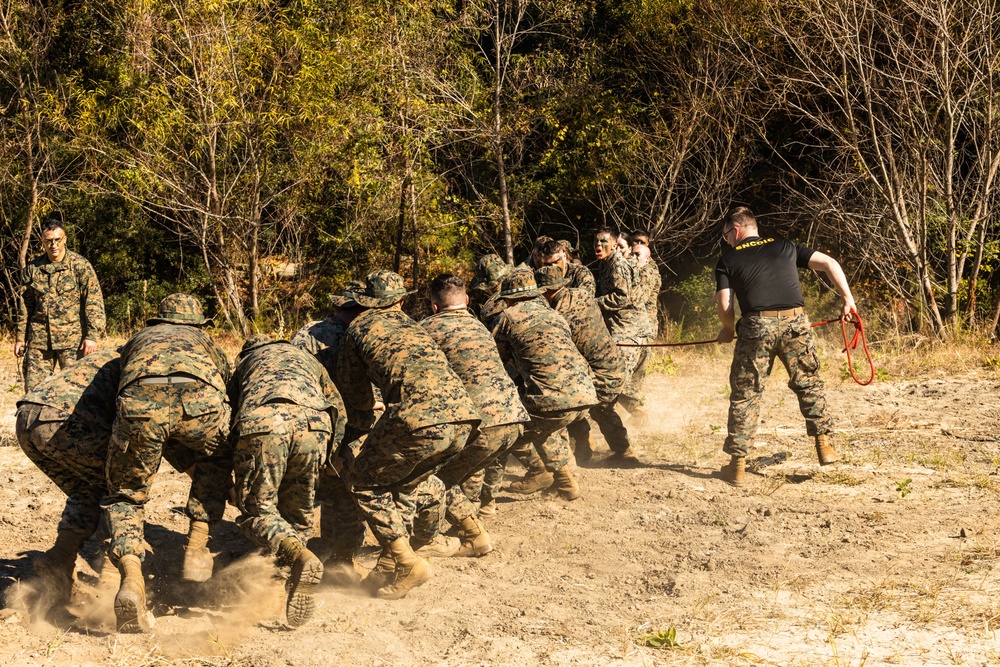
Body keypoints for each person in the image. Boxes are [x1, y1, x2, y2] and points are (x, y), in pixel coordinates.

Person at [335, 270, 480, 599]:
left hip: (418, 419)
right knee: (404, 483)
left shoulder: (358, 327)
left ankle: (406, 561)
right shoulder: (414, 325)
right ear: (400, 300)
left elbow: (355, 395)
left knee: (363, 481)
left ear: (366, 301)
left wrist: (356, 429)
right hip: (465, 419)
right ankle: (391, 562)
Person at [103, 293, 233, 632]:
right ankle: (197, 545)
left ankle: (132, 577)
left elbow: (118, 382)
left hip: (140, 402)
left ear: (158, 320)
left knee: (125, 495)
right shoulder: (204, 339)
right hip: (200, 399)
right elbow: (226, 379)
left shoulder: (138, 339)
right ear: (196, 322)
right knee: (218, 456)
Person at [715, 206, 858, 487]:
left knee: (746, 393)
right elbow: (830, 263)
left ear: (735, 230)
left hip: (757, 325)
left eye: (725, 236)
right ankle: (824, 445)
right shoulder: (785, 246)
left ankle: (738, 466)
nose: (726, 242)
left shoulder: (728, 259)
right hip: (796, 322)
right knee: (809, 384)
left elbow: (725, 305)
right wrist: (848, 299)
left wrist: (729, 329)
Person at [230, 335, 346, 627]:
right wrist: (331, 456)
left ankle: (300, 558)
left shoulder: (245, 363)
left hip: (265, 424)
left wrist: (235, 464)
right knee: (299, 511)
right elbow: (338, 408)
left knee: (258, 509)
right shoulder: (308, 359)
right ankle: (284, 579)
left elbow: (228, 412)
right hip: (315, 426)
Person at [420, 274, 529, 551]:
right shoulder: (480, 326)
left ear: (433, 306)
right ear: (467, 300)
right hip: (513, 419)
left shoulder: (427, 330)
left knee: (431, 478)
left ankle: (468, 535)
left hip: (482, 424)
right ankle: (469, 525)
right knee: (462, 472)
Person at [491, 270, 598, 499]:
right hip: (586, 395)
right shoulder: (554, 315)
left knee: (510, 428)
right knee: (543, 422)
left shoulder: (507, 318)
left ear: (509, 298)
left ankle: (539, 471)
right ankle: (565, 483)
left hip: (553, 401)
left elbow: (494, 360)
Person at [534, 265, 639, 465]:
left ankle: (586, 446)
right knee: (603, 408)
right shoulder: (581, 295)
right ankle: (620, 450)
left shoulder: (559, 313)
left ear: (546, 291)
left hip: (601, 374)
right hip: (614, 365)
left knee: (571, 401)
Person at [15, 219, 106, 391]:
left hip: (73, 341)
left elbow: (94, 302)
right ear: (43, 242)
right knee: (34, 392)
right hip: (39, 341)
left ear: (65, 239)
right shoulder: (33, 269)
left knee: (77, 391)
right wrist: (20, 338)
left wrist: (92, 336)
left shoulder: (80, 266)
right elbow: (24, 307)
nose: (53, 245)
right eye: (48, 241)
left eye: (58, 240)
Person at [593, 227, 648, 420]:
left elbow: (621, 298)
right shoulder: (604, 264)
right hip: (618, 328)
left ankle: (636, 415)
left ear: (615, 245)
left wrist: (593, 303)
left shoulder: (617, 264)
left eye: (603, 242)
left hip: (628, 329)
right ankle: (635, 414)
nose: (598, 246)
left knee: (615, 376)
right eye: (596, 242)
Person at [632, 235, 662, 339]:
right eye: (636, 241)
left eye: (642, 242)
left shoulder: (648, 269)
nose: (639, 244)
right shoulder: (634, 266)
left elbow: (640, 299)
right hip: (635, 325)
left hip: (644, 326)